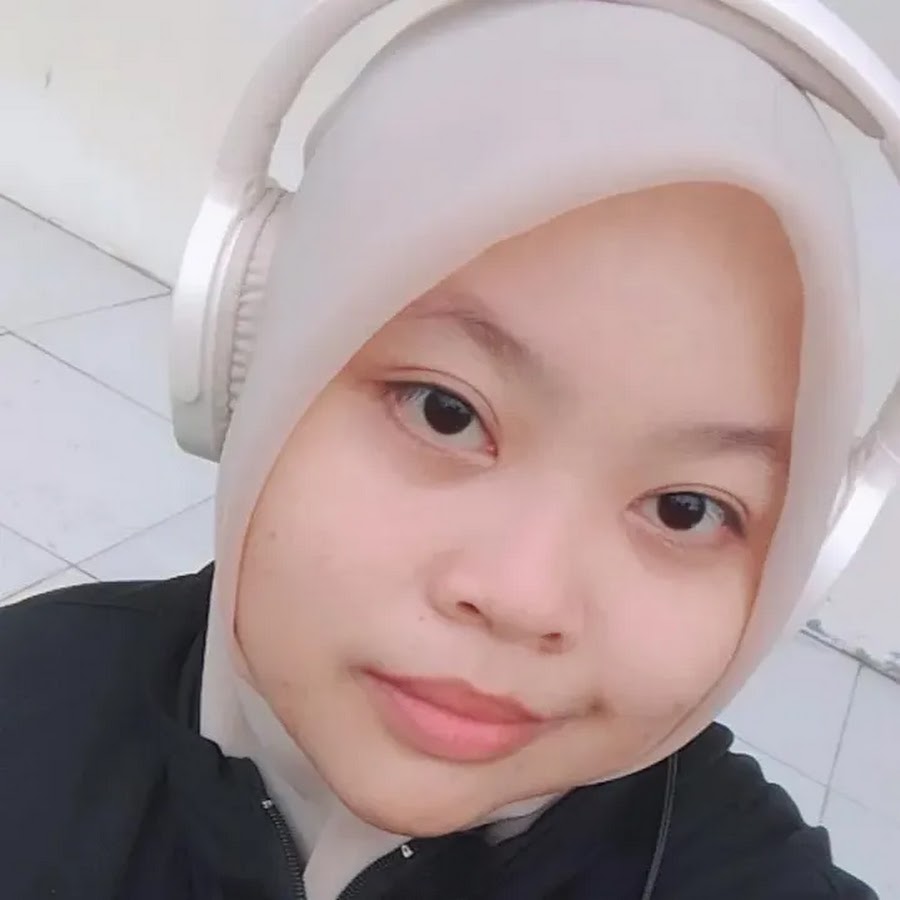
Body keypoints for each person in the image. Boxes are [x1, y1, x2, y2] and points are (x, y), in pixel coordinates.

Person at [0, 3, 881, 898]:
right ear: (252, 359)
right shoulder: (27, 699)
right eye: (445, 411)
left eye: (685, 509)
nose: (522, 596)